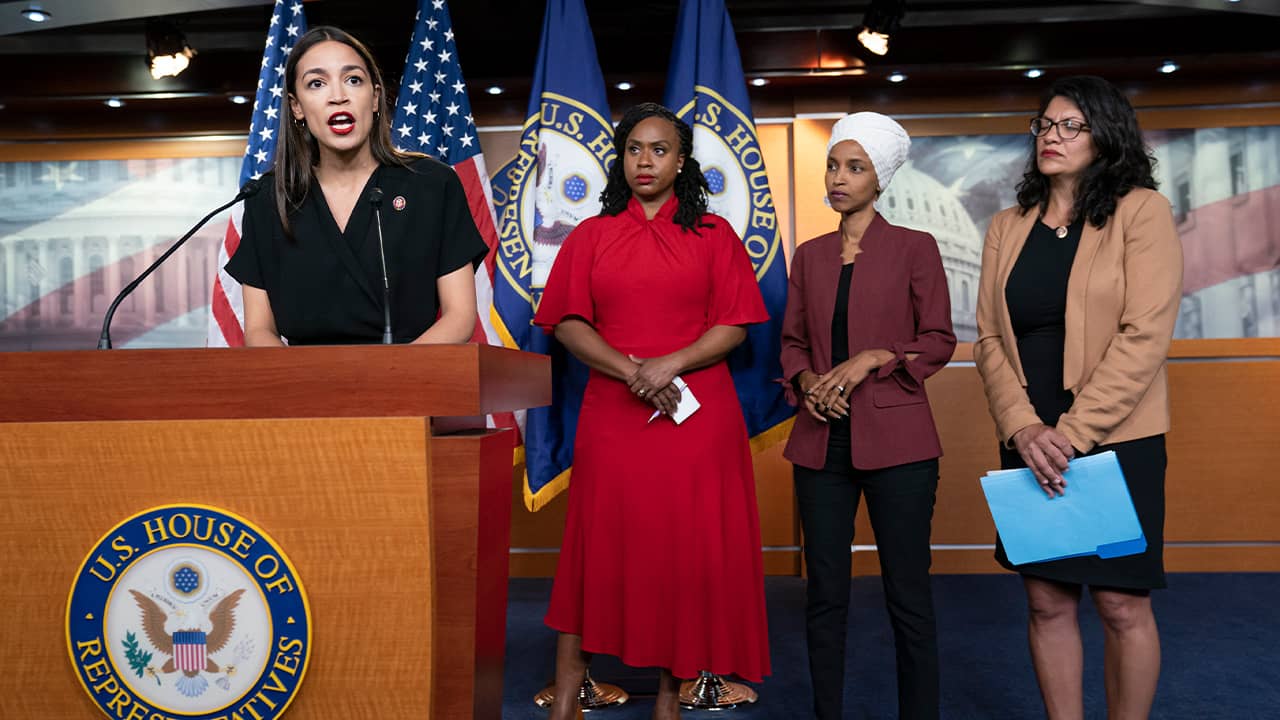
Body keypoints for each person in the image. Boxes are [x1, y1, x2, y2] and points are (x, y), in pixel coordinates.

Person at [533, 103, 771, 720]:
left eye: (659, 149)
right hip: (614, 415)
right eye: (635, 148)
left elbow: (735, 327)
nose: (645, 160)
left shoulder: (714, 235)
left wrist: (672, 363)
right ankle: (566, 700)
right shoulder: (590, 234)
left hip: (696, 419)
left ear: (681, 161)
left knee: (682, 556)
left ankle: (670, 700)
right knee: (596, 549)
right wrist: (633, 370)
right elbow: (565, 322)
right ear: (621, 157)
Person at [973, 75, 1182, 719]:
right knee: (1047, 601)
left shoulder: (1141, 210)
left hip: (1117, 441)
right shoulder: (1007, 226)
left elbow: (1145, 333)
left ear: (1106, 136)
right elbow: (987, 340)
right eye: (1045, 124)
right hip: (1030, 443)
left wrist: (1071, 434)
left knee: (1121, 604)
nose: (1051, 136)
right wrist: (1024, 429)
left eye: (1070, 126)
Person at [780, 112, 956, 720]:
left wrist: (875, 357)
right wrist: (806, 380)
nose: (838, 177)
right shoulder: (808, 257)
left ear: (879, 179)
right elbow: (793, 342)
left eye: (855, 167)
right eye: (833, 164)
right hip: (819, 445)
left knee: (908, 595)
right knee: (824, 595)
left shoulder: (915, 247)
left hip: (901, 447)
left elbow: (938, 340)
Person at [226, 26, 486, 346]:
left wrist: (392, 379)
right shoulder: (266, 196)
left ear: (375, 98)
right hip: (303, 387)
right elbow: (258, 330)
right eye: (317, 83)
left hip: (410, 382)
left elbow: (460, 316)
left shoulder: (432, 183)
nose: (338, 96)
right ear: (296, 107)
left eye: (353, 80)